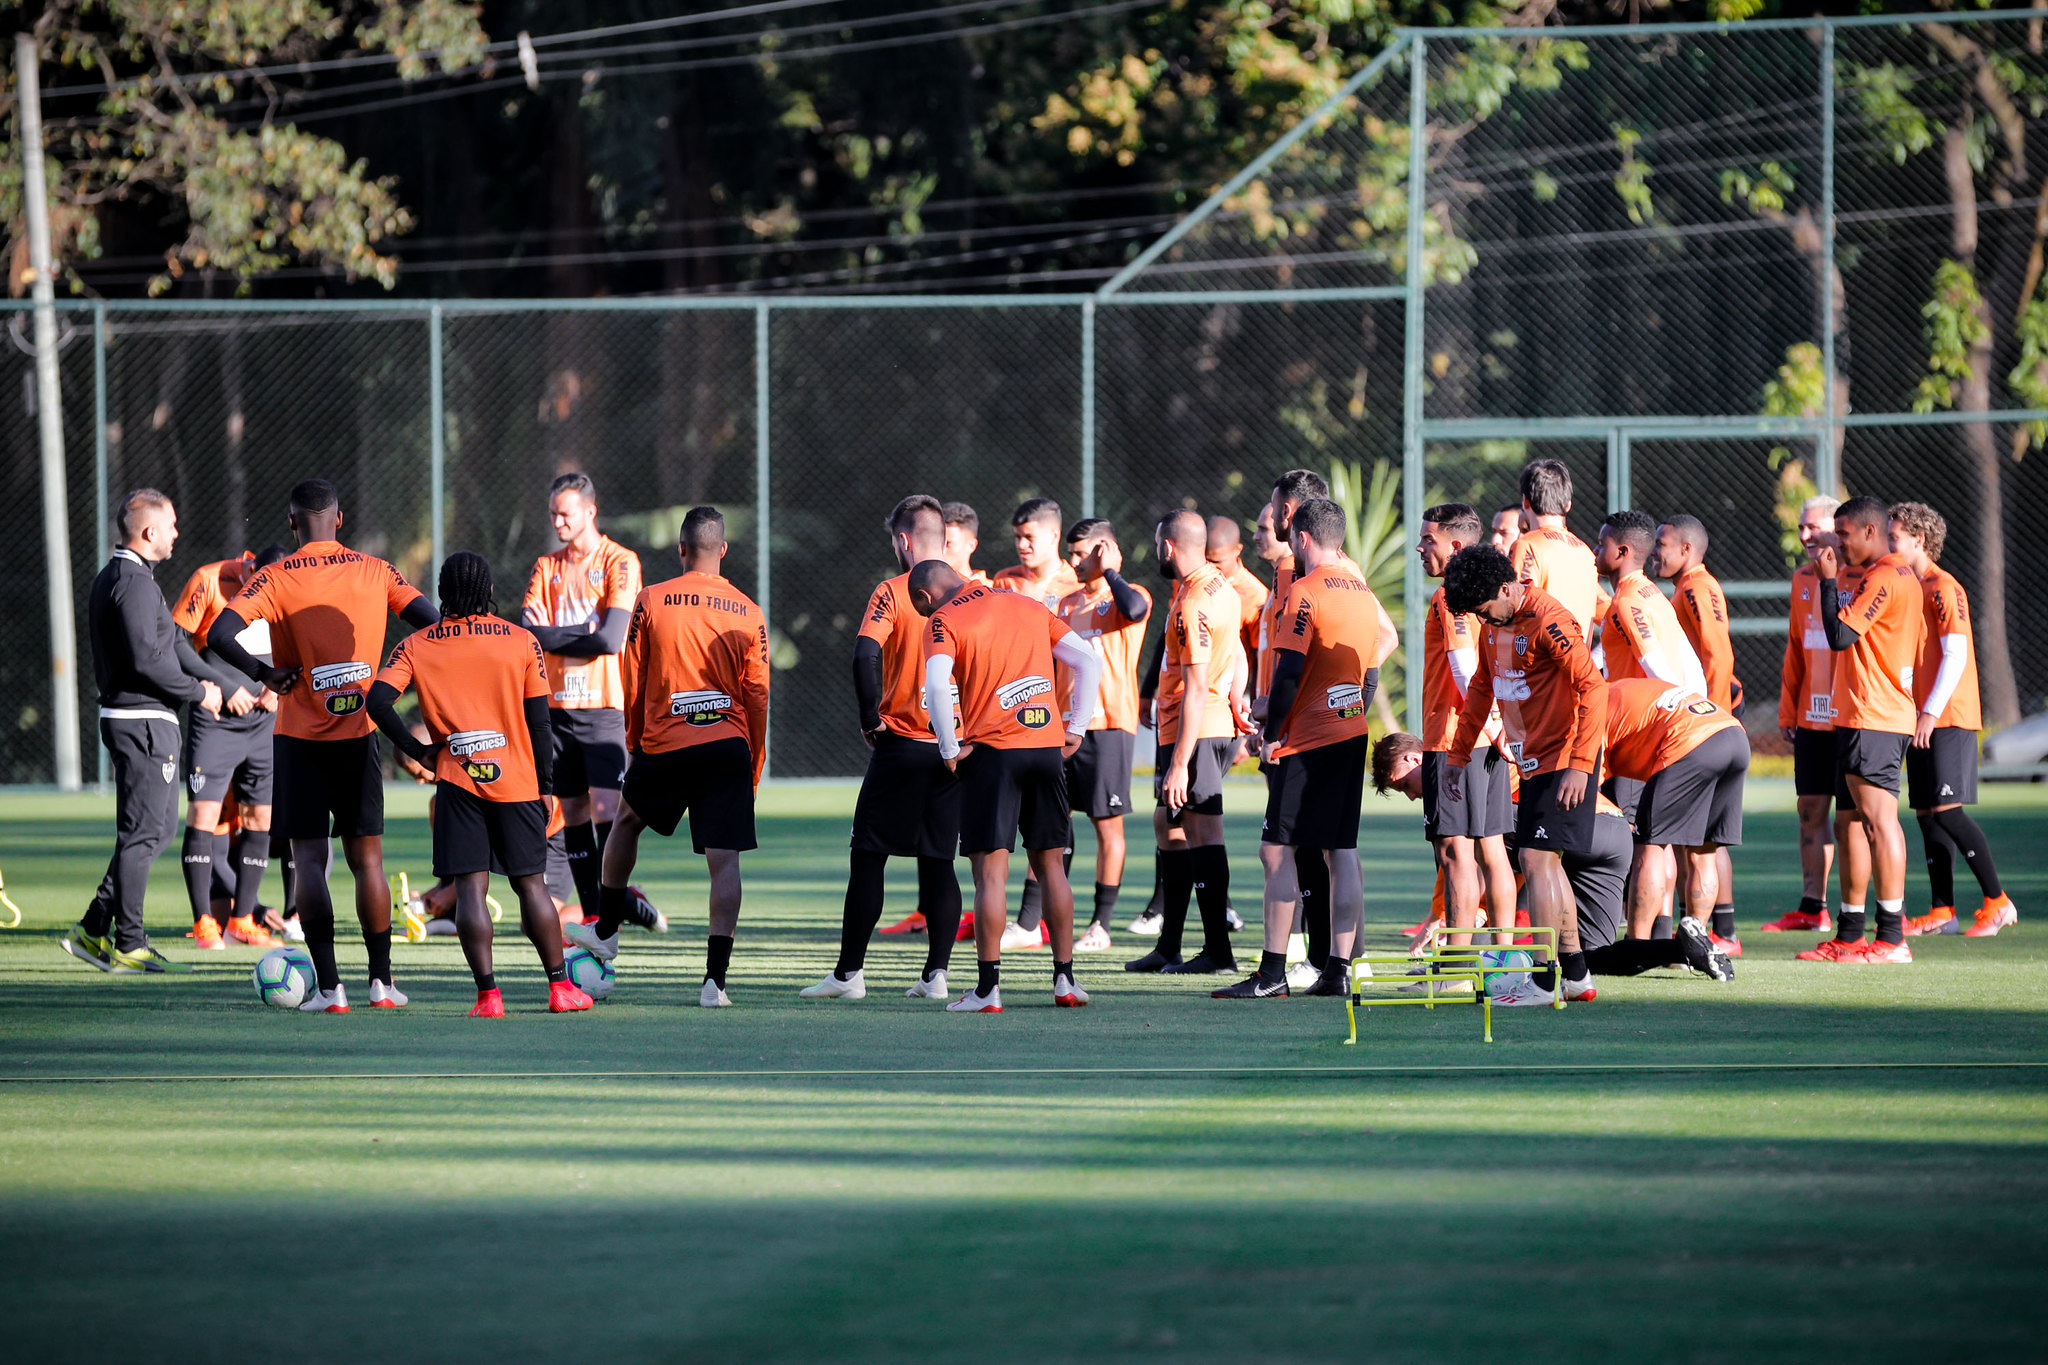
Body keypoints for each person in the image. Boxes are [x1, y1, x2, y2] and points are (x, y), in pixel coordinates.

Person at [208, 478, 439, 1013]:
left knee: (309, 859)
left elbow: (221, 633)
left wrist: (266, 674)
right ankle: (381, 983)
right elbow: (432, 623)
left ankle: (332, 990)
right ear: (339, 519)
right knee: (369, 862)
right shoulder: (376, 570)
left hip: (297, 741)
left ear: (292, 525)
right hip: (359, 736)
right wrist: (395, 680)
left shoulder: (274, 575)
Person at [367, 552, 593, 1017]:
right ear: (489, 592)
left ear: (442, 595)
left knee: (470, 889)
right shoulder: (522, 641)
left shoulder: (417, 644)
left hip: (457, 780)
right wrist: (545, 783)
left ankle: (488, 996)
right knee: (531, 886)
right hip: (518, 782)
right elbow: (540, 724)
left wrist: (419, 751)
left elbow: (378, 701)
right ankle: (559, 989)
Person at [566, 508, 770, 1008]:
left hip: (666, 742)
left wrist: (635, 739)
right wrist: (755, 760)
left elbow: (632, 677)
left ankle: (608, 933)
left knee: (625, 824)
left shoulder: (651, 600)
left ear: (681, 549)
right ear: (723, 550)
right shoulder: (748, 610)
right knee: (725, 862)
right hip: (727, 746)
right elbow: (759, 695)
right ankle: (714, 984)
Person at [1372, 733, 1733, 984]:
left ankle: (1485, 963)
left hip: (1566, 826)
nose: (1410, 796)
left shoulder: (1456, 763)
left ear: (1414, 758)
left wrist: (1441, 920)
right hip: (1611, 834)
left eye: (1404, 784)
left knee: (1470, 836)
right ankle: (1683, 948)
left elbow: (1468, 857)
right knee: (1589, 956)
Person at [913, 558, 1103, 1013]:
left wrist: (947, 747)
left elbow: (938, 687)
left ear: (924, 596)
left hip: (991, 753)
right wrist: (1075, 726)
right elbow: (1088, 660)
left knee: (990, 874)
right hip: (1045, 748)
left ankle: (987, 990)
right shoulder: (1028, 604)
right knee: (1051, 866)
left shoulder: (943, 619)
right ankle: (1065, 981)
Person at [800, 495, 965, 1001]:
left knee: (869, 856)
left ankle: (849, 976)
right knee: (940, 862)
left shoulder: (894, 590)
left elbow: (864, 652)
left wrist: (870, 717)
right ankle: (936, 976)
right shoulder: (976, 593)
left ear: (904, 541)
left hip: (902, 746)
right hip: (954, 750)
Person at [1216, 497, 1375, 998]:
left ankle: (1270, 974)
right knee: (1341, 850)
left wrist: (1275, 730)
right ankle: (1338, 969)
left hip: (1307, 739)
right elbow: (1368, 674)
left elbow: (1287, 671)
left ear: (1302, 539)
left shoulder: (1304, 591)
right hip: (1351, 733)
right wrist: (1346, 708)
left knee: (1275, 850)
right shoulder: (1363, 591)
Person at [62, 490, 225, 974]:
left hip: (139, 720)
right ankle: (129, 943)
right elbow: (147, 660)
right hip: (142, 723)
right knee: (145, 834)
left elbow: (174, 643)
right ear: (149, 532)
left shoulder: (133, 579)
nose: (176, 533)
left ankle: (93, 931)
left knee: (150, 831)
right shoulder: (130, 582)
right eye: (171, 525)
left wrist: (219, 682)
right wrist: (199, 692)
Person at [1442, 544, 1606, 1006]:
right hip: (1532, 759)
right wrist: (1457, 757)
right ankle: (1573, 973)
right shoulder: (1492, 624)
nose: (1484, 621)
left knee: (1535, 861)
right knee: (1544, 863)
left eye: (1485, 611)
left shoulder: (1550, 620)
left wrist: (1580, 764)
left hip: (1563, 758)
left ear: (1506, 587)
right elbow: (1479, 688)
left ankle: (1542, 978)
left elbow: (1594, 687)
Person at [521, 473, 661, 935]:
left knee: (608, 811)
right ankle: (600, 912)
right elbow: (527, 637)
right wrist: (574, 636)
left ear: (590, 511)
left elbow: (610, 638)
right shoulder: (546, 566)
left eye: (565, 513)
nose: (558, 521)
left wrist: (552, 636)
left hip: (604, 706)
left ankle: (618, 896)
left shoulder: (620, 561)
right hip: (556, 711)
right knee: (575, 811)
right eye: (553, 514)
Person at [1798, 494, 1924, 964]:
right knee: (1848, 821)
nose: (1840, 544)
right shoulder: (1888, 574)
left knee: (1877, 820)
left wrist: (1828, 582)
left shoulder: (1887, 576)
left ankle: (1892, 937)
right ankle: (1850, 935)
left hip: (1876, 715)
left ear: (1870, 532)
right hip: (1856, 715)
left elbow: (1840, 635)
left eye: (1845, 534)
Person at [1126, 509, 1248, 976]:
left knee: (1201, 834)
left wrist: (1180, 763)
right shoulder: (1219, 584)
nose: (1157, 551)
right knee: (1168, 827)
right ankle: (1170, 945)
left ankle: (1218, 951)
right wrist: (1237, 695)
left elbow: (1196, 688)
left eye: (1159, 544)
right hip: (1202, 725)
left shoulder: (1196, 600)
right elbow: (1235, 648)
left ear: (1169, 547)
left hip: (1194, 729)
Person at [1890, 502, 2018, 937]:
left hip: (1948, 716)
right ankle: (1943, 910)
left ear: (1918, 541)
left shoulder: (1945, 587)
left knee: (1948, 810)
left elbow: (1957, 653)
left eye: (1895, 538)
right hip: (1922, 717)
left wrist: (1929, 710)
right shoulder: (1910, 587)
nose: (1889, 546)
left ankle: (1997, 902)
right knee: (1928, 814)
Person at [170, 544, 287, 951]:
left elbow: (303, 646)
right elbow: (177, 641)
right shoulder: (209, 579)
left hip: (263, 722)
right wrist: (224, 686)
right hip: (217, 718)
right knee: (204, 814)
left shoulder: (287, 587)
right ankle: (204, 923)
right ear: (250, 565)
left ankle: (242, 920)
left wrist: (280, 688)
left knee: (259, 819)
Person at [1415, 503, 1518, 952]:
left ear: (1456, 545)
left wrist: (1492, 727)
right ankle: (1501, 957)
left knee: (1455, 851)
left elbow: (1463, 666)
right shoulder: (1491, 588)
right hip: (1489, 739)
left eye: (1428, 540)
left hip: (1459, 739)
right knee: (1492, 849)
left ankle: (1456, 964)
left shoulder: (1448, 595)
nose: (1420, 548)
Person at [1251, 469, 1332, 986]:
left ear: (1290, 513)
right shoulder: (1290, 573)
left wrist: (1327, 704)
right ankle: (1325, 959)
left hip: (1302, 731)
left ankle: (1310, 961)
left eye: (1274, 511)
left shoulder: (1310, 575)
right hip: (1287, 726)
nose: (1270, 521)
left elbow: (1380, 637)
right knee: (1309, 848)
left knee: (1297, 847)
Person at [1055, 519, 1151, 953]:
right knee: (1056, 822)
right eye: (1070, 553)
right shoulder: (1065, 603)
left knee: (1106, 826)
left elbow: (1134, 611)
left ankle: (1101, 923)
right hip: (1063, 726)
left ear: (1103, 550)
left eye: (1081, 554)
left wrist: (1110, 570)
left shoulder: (1129, 595)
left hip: (1109, 725)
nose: (1072, 561)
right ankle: (1046, 916)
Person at [1656, 511, 1745, 951]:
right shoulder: (1686, 588)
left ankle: (1722, 933)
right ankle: (1715, 930)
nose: (1656, 551)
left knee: (1705, 839)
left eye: (1663, 544)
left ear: (1686, 549)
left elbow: (1718, 654)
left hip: (1705, 723)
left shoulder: (1696, 587)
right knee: (1701, 837)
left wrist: (1712, 714)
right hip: (1704, 718)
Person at [1602, 678, 1749, 937]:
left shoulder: (1591, 709)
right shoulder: (1620, 687)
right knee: (1703, 852)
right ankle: (1694, 942)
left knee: (1650, 847)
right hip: (1733, 734)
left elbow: (1589, 784)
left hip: (1689, 741)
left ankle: (1637, 945)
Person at [1764, 495, 1844, 934]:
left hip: (1854, 716)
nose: (1805, 535)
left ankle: (1876, 911)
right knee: (1810, 810)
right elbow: (1797, 646)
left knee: (1862, 818)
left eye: (1814, 526)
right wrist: (1788, 709)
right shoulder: (1801, 578)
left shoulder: (1861, 575)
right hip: (1812, 718)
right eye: (1801, 527)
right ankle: (1813, 906)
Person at [1513, 460, 1600, 635]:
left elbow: (1519, 607)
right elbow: (1604, 612)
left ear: (1525, 502)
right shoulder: (1586, 552)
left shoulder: (1527, 545)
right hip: (1579, 657)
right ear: (1568, 504)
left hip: (1542, 659)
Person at [1207, 514, 1267, 680]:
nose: (1210, 567)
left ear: (1237, 550)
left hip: (1227, 695)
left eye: (1216, 561)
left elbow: (1259, 657)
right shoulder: (1190, 580)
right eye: (1205, 560)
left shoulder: (1255, 595)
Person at [993, 497, 1081, 610]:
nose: (1021, 545)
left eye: (1029, 537)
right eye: (1017, 537)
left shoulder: (1076, 584)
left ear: (1054, 536)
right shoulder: (1005, 580)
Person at [941, 502, 993, 587]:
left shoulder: (993, 590)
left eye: (948, 544)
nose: (941, 550)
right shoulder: (923, 590)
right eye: (938, 543)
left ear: (971, 546)